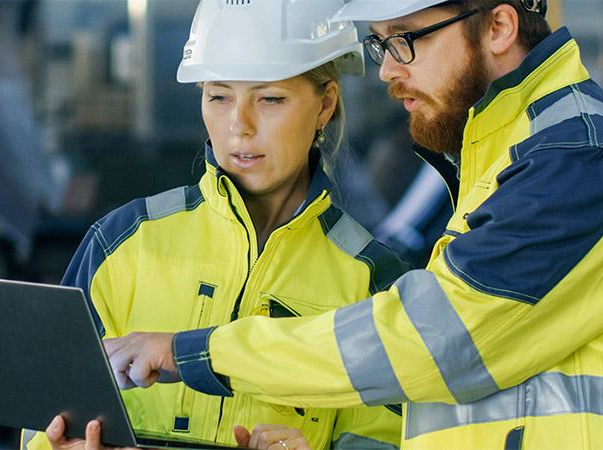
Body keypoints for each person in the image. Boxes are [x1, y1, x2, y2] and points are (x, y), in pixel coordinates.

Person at [105, 0, 603, 449]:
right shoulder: (505, 153)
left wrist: (197, 353)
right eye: (381, 42)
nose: (387, 69)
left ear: (498, 27)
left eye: (405, 39)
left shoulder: (572, 155)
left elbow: (436, 340)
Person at [20, 1, 408, 450]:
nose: (238, 126)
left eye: (270, 99)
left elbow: (394, 437)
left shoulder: (372, 284)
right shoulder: (123, 241)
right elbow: (41, 418)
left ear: (325, 105)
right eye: (219, 96)